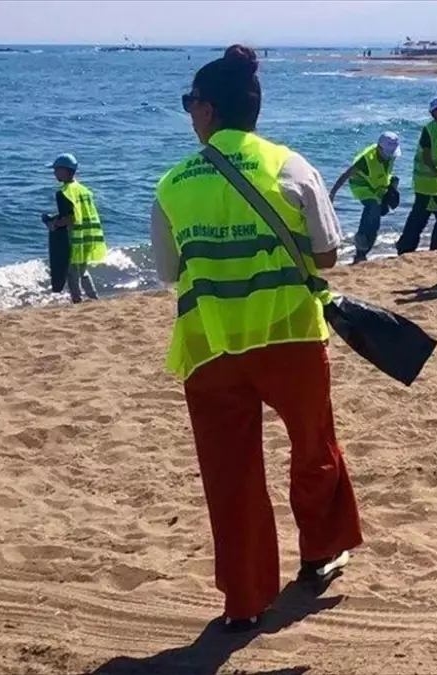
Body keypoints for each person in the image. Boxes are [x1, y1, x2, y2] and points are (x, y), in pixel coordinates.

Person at [150, 45, 362, 630]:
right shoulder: (290, 166)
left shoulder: (172, 183)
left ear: (209, 110)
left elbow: (169, 272)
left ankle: (243, 599)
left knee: (230, 474)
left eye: (191, 103)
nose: (190, 113)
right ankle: (320, 552)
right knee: (314, 448)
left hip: (209, 344)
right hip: (288, 333)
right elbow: (327, 254)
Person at [397, 96, 437, 254]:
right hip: (427, 182)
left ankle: (432, 243)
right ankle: (408, 246)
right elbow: (426, 157)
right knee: (422, 214)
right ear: (435, 113)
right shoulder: (429, 130)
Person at [328, 131, 400, 263]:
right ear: (379, 148)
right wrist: (332, 193)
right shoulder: (366, 160)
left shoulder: (390, 156)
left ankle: (364, 252)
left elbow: (385, 172)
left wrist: (392, 186)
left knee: (376, 221)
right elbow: (345, 175)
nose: (390, 156)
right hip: (362, 187)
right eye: (387, 153)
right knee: (372, 209)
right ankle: (360, 247)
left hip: (378, 187)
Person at [44, 153, 106, 303]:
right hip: (88, 236)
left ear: (66, 171)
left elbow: (71, 218)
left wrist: (52, 223)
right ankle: (94, 298)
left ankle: (77, 300)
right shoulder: (84, 190)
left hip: (74, 238)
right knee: (83, 270)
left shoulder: (63, 193)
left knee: (72, 273)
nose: (54, 173)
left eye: (57, 170)